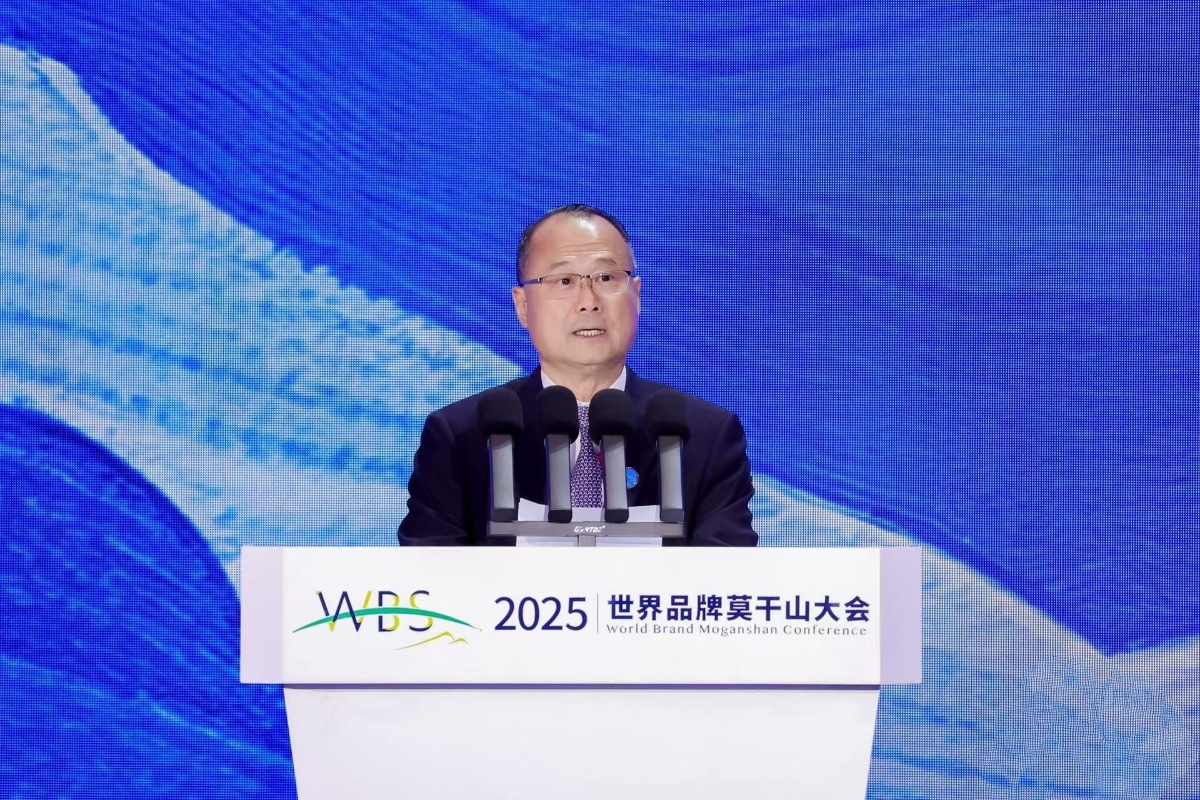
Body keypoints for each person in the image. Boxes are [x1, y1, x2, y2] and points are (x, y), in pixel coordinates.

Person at [397, 204, 756, 546]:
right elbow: (426, 576)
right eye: (564, 280)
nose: (589, 301)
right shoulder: (462, 437)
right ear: (522, 306)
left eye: (606, 277)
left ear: (637, 295)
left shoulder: (705, 437)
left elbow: (730, 576)